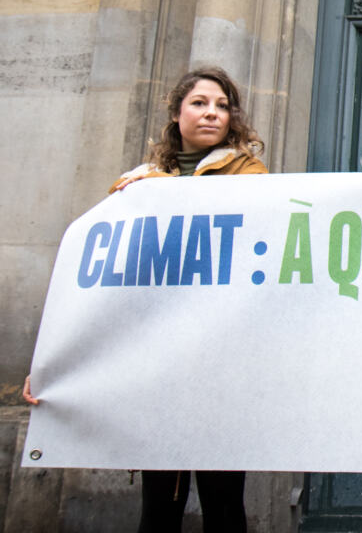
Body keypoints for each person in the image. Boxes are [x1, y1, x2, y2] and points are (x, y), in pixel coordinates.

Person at [24, 65, 265, 533]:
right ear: (177, 113)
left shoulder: (253, 179)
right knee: (160, 502)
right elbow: (99, 291)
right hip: (156, 365)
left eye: (221, 105)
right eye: (199, 103)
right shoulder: (135, 188)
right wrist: (52, 363)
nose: (211, 113)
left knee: (223, 500)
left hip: (220, 364)